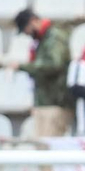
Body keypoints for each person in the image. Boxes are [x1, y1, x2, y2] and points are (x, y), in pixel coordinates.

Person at [16, 9, 72, 138]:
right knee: (43, 147)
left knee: (49, 148)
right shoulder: (43, 38)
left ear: (33, 21)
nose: (26, 33)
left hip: (55, 101)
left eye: (26, 28)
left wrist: (24, 67)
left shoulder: (54, 36)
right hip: (46, 101)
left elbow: (54, 64)